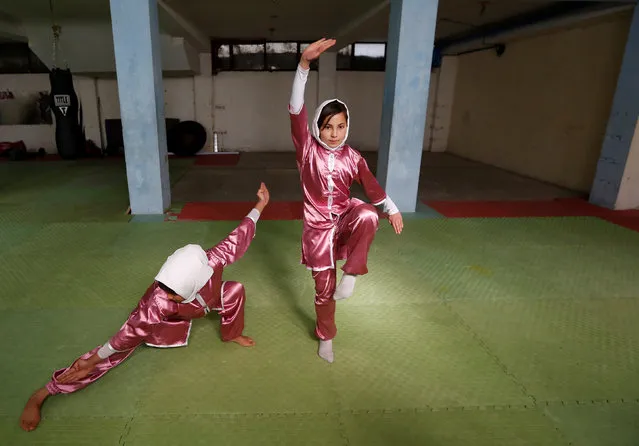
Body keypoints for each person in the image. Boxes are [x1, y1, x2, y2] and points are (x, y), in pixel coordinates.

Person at [19, 183, 271, 432]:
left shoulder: (213, 260)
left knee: (235, 289)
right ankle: (44, 392)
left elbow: (242, 231)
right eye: (168, 290)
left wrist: (261, 203)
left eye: (175, 294)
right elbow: (121, 339)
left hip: (206, 301)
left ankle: (232, 333)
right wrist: (91, 361)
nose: (170, 296)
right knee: (116, 350)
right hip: (169, 319)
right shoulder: (159, 303)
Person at [288, 38, 404, 363]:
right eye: (328, 127)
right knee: (323, 290)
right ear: (318, 128)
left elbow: (371, 185)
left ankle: (352, 273)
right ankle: (326, 336)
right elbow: (295, 110)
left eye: (340, 126)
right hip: (317, 232)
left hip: (344, 218)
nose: (335, 133)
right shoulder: (306, 150)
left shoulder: (353, 157)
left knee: (367, 213)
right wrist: (303, 65)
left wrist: (391, 209)